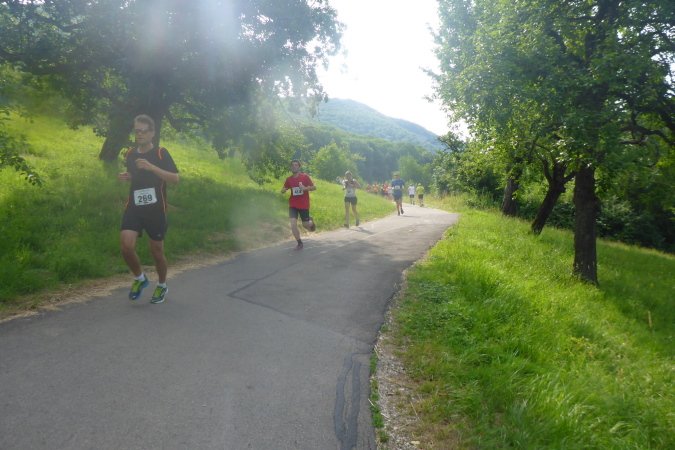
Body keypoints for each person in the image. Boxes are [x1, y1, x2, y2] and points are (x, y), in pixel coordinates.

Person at [118, 114, 179, 304]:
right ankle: (140, 278)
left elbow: (175, 179)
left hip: (155, 210)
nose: (140, 134)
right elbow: (136, 175)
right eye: (137, 130)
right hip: (134, 207)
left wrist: (152, 167)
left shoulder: (161, 153)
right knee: (126, 247)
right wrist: (128, 177)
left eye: (144, 130)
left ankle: (162, 285)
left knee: (157, 253)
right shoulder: (130, 153)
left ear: (152, 133)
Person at [281, 160, 316, 250]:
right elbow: (284, 188)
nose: (294, 166)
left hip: (303, 204)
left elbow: (314, 187)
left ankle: (310, 221)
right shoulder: (289, 179)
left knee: (305, 225)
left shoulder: (305, 177)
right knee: (293, 224)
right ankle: (299, 242)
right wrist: (283, 190)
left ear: (299, 167)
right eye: (292, 165)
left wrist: (305, 188)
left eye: (296, 165)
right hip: (293, 204)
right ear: (291, 167)